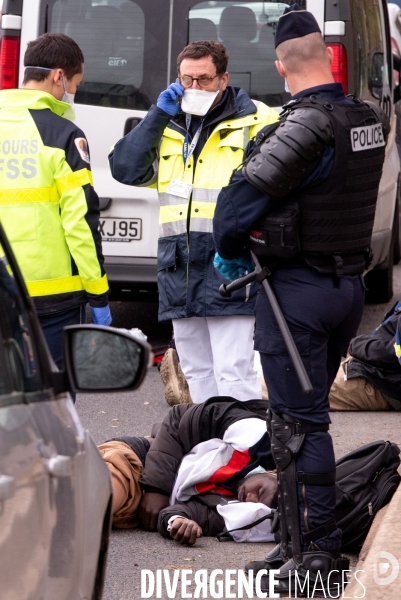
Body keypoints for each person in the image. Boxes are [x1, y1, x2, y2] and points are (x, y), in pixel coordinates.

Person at [212, 5, 388, 596]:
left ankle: (316, 553)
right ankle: (293, 543)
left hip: (297, 290)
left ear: (285, 66)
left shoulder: (303, 124)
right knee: (296, 419)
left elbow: (240, 203)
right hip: (346, 287)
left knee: (299, 425)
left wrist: (230, 246)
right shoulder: (365, 118)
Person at [109, 40, 279, 404]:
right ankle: (209, 446)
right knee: (195, 371)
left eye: (204, 79)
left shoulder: (258, 120)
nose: (195, 88)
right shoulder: (167, 123)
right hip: (178, 264)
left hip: (229, 263)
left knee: (233, 370)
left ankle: (243, 452)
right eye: (187, 80)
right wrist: (157, 113)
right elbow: (124, 168)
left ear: (224, 78)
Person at [0, 33, 111, 371]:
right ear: (58, 76)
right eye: (74, 83)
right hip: (52, 297)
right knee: (53, 399)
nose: (71, 92)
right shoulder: (63, 134)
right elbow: (80, 223)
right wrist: (99, 295)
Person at [99, 397, 277, 539]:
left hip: (131, 515)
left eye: (257, 506)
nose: (249, 499)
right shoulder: (258, 440)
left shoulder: (250, 512)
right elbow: (179, 416)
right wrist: (156, 488)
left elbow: (184, 513)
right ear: (276, 473)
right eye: (259, 491)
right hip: (135, 464)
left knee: (84, 524)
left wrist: (179, 522)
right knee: (90, 504)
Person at [329, 301, 401, 411]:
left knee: (302, 391)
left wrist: (355, 346)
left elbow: (393, 354)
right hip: (373, 370)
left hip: (381, 381)